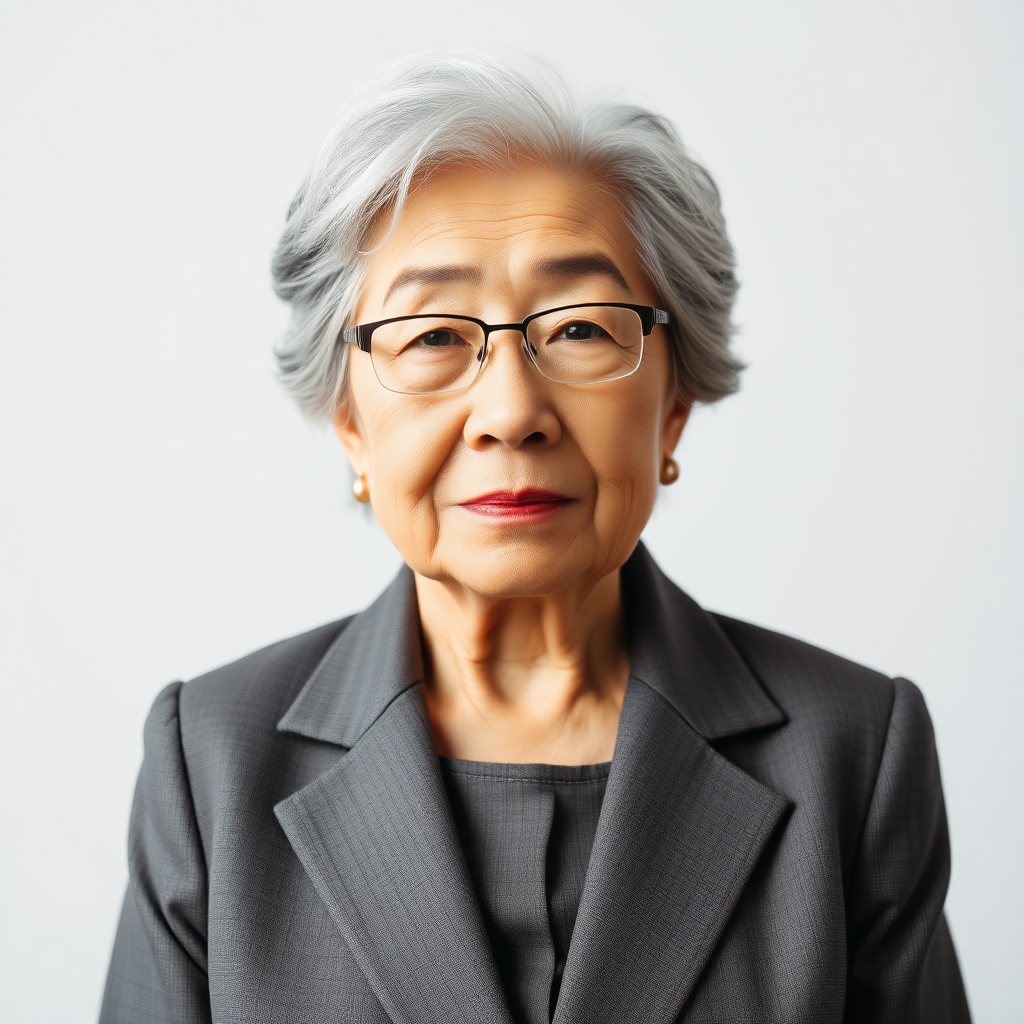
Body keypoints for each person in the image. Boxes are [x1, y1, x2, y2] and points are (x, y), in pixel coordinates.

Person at [100, 55, 970, 1024]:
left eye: (581, 330)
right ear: (349, 417)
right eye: (431, 335)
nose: (510, 412)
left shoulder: (849, 752)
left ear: (672, 403)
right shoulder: (213, 761)